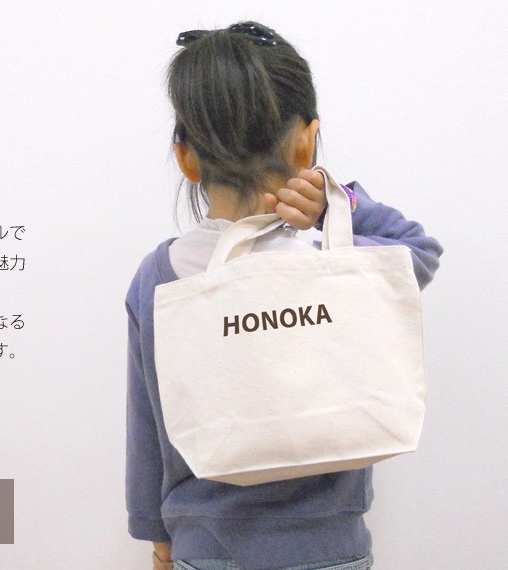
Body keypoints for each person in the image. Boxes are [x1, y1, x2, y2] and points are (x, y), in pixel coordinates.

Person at [125, 22, 442, 570]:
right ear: (305, 142)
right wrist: (339, 202)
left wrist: (156, 538)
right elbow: (420, 250)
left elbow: (148, 425)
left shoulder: (160, 276)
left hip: (207, 549)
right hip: (334, 550)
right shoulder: (337, 259)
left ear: (186, 158)